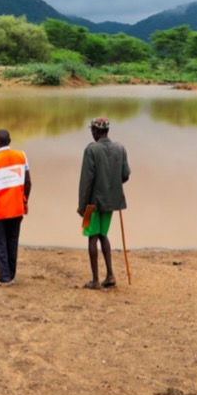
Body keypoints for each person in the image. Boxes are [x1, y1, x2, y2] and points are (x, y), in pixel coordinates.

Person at [77, 116, 130, 289]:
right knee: (103, 235)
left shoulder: (91, 150)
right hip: (110, 201)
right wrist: (111, 185)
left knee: (92, 236)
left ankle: (95, 280)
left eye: (92, 130)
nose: (92, 133)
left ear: (96, 131)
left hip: (92, 202)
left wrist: (82, 206)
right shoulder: (120, 148)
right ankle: (110, 275)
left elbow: (86, 180)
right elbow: (125, 175)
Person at [0, 128, 31, 286]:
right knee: (12, 241)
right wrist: (24, 200)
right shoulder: (22, 156)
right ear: (9, 141)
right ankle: (11, 274)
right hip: (16, 207)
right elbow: (28, 182)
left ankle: (4, 277)